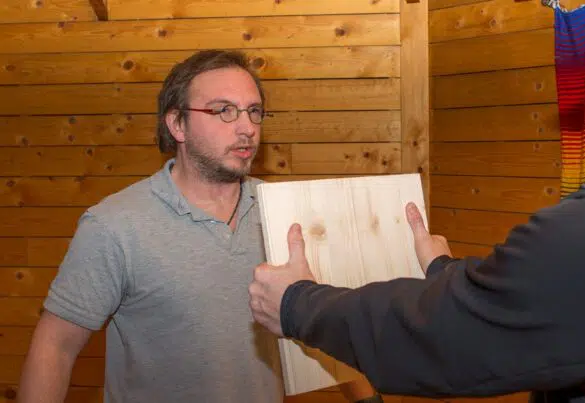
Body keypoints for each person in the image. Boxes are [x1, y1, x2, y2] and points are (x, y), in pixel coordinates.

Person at [17, 50, 379, 403]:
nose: (247, 128)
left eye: (254, 111)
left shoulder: (284, 214)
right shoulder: (114, 226)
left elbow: (322, 322)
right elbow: (55, 346)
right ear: (177, 124)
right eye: (224, 110)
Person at [249, 180, 585, 403]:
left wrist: (297, 303)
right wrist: (444, 270)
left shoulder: (583, 232)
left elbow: (438, 332)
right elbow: (514, 303)